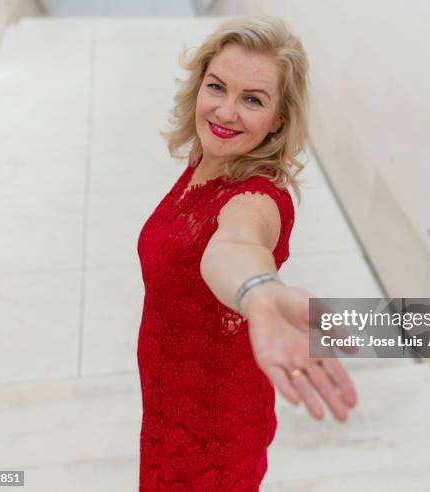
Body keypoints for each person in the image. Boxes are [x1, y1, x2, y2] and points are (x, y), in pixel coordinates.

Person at [136, 15, 357, 491]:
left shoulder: (255, 199)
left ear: (278, 119)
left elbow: (234, 244)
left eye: (252, 99)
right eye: (217, 87)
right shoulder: (206, 161)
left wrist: (258, 291)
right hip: (167, 405)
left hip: (211, 435)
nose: (226, 112)